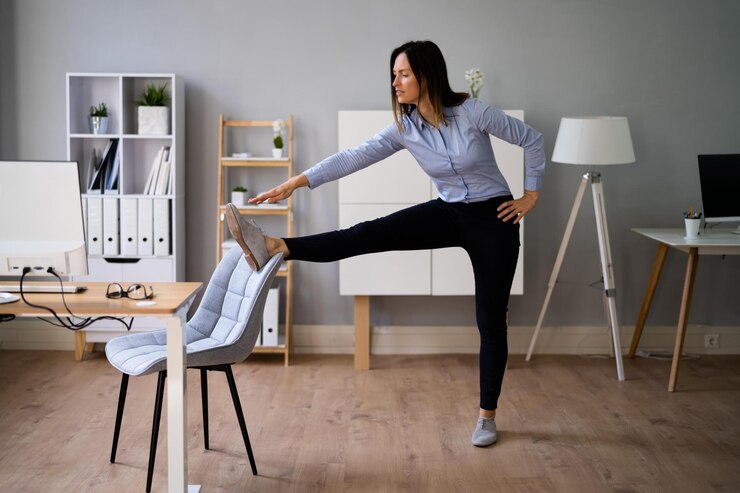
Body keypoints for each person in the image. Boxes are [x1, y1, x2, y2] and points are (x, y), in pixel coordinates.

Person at [225, 40, 545, 447]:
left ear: (427, 75)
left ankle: (487, 416)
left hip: (494, 219)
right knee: (368, 234)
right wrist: (296, 182)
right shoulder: (405, 129)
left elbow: (531, 140)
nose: (395, 82)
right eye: (393, 74)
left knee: (490, 320)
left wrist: (530, 195)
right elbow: (352, 157)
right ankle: (277, 247)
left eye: (404, 74)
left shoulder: (472, 113)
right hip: (448, 213)